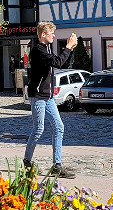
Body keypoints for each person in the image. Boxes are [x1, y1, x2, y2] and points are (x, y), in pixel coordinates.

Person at [24, 22, 78, 178]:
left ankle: (57, 166)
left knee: (59, 127)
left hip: (49, 97)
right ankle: (27, 161)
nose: (54, 35)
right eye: (51, 33)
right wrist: (67, 47)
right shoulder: (37, 50)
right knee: (38, 129)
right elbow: (57, 62)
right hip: (38, 96)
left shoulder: (47, 48)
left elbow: (62, 63)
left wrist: (71, 49)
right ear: (43, 35)